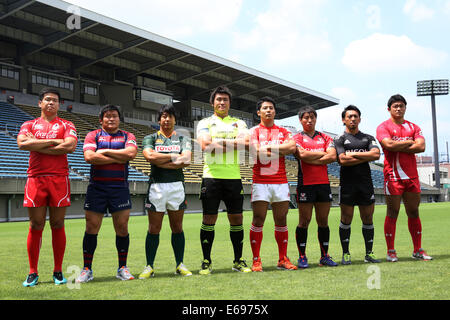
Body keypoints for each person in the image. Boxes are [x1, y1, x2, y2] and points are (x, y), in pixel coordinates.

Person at [17, 88, 78, 287]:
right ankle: (33, 272)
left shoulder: (67, 124)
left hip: (60, 179)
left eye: (55, 100)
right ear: (40, 103)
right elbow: (22, 144)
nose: (51, 103)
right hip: (35, 179)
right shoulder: (29, 124)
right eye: (47, 100)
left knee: (58, 224)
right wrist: (53, 142)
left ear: (59, 105)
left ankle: (58, 271)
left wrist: (37, 144)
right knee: (36, 225)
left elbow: (69, 146)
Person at [76, 104, 138, 283]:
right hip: (97, 188)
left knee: (122, 228)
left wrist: (103, 151)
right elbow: (89, 157)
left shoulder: (128, 136)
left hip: (119, 189)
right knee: (91, 227)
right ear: (101, 119)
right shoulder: (92, 135)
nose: (111, 119)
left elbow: (131, 154)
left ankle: (122, 268)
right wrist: (119, 155)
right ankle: (87, 269)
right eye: (107, 116)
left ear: (119, 119)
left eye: (115, 116)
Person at [196, 85, 251, 274]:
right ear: (213, 103)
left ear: (229, 103)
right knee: (209, 219)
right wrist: (232, 144)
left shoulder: (239, 123)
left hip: (233, 178)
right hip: (211, 177)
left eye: (225, 100)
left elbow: (246, 143)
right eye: (218, 99)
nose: (221, 102)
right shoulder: (204, 122)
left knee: (237, 218)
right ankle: (206, 261)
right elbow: (204, 144)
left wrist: (217, 142)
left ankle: (238, 260)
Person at [138, 105, 193, 279]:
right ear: (159, 120)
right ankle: (149, 266)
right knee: (154, 228)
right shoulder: (150, 138)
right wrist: (174, 156)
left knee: (177, 227)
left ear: (175, 120)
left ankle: (180, 264)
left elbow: (187, 159)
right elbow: (149, 157)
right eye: (163, 116)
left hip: (177, 186)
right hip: (157, 187)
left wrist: (161, 161)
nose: (167, 119)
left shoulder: (183, 138)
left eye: (170, 116)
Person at [376, 94, 432, 262]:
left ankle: (418, 250)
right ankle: (391, 251)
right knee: (393, 212)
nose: (398, 108)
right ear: (389, 109)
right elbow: (388, 145)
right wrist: (409, 143)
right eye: (395, 106)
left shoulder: (414, 127)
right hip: (393, 176)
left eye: (401, 105)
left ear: (405, 108)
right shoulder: (383, 127)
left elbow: (421, 146)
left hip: (412, 177)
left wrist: (399, 145)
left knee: (414, 211)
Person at [248, 96, 297, 272]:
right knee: (258, 219)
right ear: (258, 112)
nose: (268, 110)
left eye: (271, 108)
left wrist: (268, 149)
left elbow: (291, 148)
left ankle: (282, 258)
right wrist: (279, 150)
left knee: (281, 219)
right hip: (260, 182)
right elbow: (256, 152)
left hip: (281, 181)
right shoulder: (253, 131)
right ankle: (256, 260)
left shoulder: (283, 131)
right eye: (265, 108)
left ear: (275, 111)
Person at [334, 105, 381, 265]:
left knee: (367, 217)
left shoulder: (367, 138)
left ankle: (369, 253)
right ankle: (346, 254)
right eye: (349, 116)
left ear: (359, 119)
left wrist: (352, 153)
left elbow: (376, 154)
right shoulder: (339, 139)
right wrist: (365, 156)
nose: (353, 119)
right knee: (346, 218)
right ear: (343, 120)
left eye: (355, 116)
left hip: (365, 184)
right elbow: (342, 160)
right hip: (347, 184)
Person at [293, 106, 338, 268]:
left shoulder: (325, 137)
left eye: (312, 117)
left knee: (323, 221)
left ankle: (324, 256)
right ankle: (302, 256)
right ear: (300, 120)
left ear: (316, 119)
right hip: (305, 184)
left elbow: (332, 156)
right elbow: (302, 155)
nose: (309, 120)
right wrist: (322, 155)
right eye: (306, 117)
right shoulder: (297, 138)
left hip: (323, 185)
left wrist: (313, 158)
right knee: (304, 221)